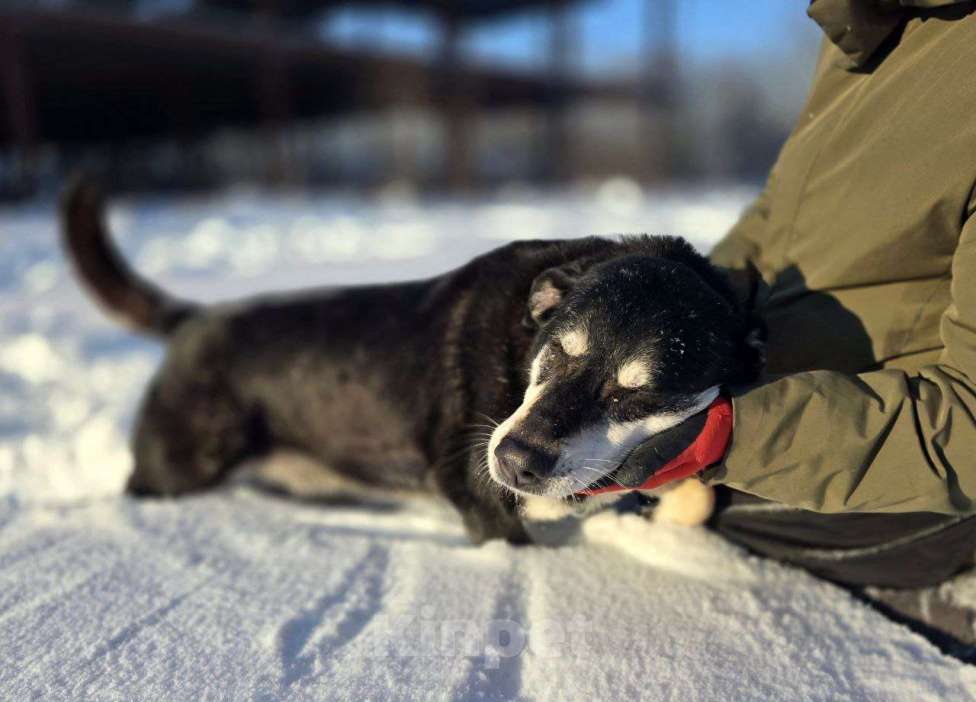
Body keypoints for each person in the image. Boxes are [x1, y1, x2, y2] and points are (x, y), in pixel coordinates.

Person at [629, 0, 976, 658]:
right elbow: (777, 219)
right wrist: (653, 307)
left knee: (630, 486)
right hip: (787, 397)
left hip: (922, 487)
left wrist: (729, 438)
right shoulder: (875, 24)